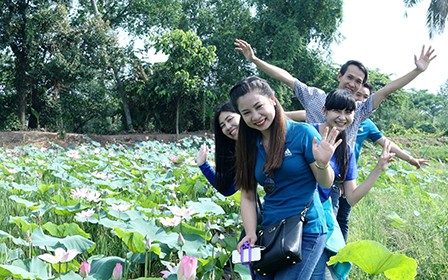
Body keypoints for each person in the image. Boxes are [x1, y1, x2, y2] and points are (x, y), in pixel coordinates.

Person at [231, 76, 341, 279]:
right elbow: (247, 195)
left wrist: (323, 164)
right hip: (269, 229)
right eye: (246, 113)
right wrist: (250, 232)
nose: (255, 116)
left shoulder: (302, 133)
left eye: (258, 106)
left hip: (306, 228)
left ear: (273, 99)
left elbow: (325, 182)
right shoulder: (248, 145)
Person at [233, 39, 436, 149]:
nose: (353, 84)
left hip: (340, 173)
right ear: (340, 75)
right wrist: (255, 60)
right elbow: (286, 77)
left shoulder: (358, 108)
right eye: (350, 77)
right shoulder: (315, 96)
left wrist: (417, 71)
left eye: (359, 81)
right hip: (309, 163)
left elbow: (388, 89)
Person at [310, 89, 395, 279]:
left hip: (319, 222)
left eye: (348, 112)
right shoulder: (308, 134)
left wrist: (379, 168)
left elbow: (352, 197)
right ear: (324, 110)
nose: (342, 117)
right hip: (293, 215)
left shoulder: (345, 150)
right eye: (337, 111)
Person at [332, 82, 431, 241]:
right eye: (358, 95)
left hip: (348, 175)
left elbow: (388, 144)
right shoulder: (334, 116)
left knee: (342, 219)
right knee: (328, 217)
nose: (361, 100)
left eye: (366, 97)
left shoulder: (366, 124)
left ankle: (339, 257)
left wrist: (411, 159)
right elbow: (303, 114)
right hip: (327, 174)